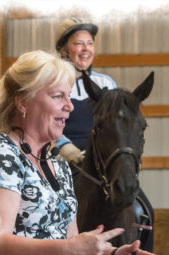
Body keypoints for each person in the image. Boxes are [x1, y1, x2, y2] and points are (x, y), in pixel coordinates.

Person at [0, 50, 157, 255]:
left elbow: (71, 249)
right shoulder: (2, 156)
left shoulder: (59, 166)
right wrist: (69, 248)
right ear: (22, 101)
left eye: (68, 97)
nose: (69, 106)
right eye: (58, 96)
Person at [55, 17, 117, 163]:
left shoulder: (106, 83)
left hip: (98, 158)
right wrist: (63, 145)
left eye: (90, 43)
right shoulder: (53, 84)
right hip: (61, 157)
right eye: (79, 44)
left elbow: (116, 124)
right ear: (64, 50)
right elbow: (43, 122)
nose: (86, 49)